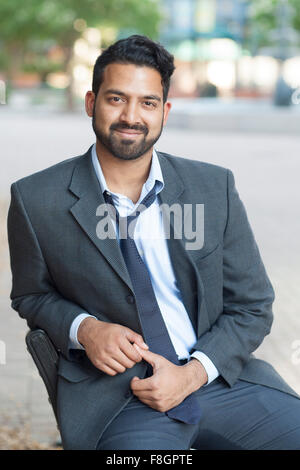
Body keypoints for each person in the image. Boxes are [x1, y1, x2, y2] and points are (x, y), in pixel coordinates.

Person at [7, 35, 300, 450]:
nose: (131, 116)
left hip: (217, 378)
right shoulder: (36, 199)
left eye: (147, 102)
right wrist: (85, 329)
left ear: (164, 111)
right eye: (116, 99)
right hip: (119, 398)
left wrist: (193, 373)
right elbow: (32, 295)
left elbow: (252, 305)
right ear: (91, 103)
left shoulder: (213, 187)